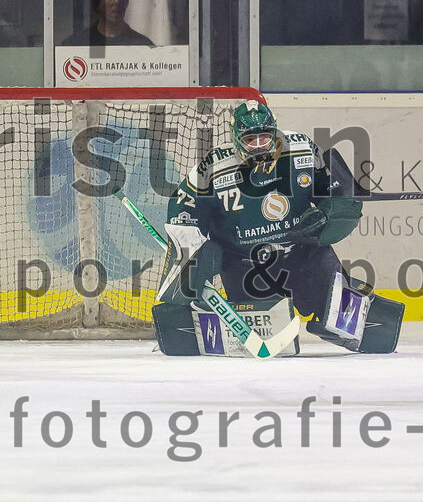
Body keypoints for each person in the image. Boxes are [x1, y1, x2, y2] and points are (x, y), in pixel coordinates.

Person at [152, 100, 404, 356]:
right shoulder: (213, 165)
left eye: (264, 137)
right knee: (266, 332)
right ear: (236, 139)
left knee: (354, 324)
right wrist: (193, 248)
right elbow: (184, 206)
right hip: (245, 265)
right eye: (250, 140)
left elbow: (337, 192)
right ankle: (187, 320)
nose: (259, 146)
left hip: (304, 254)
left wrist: (327, 214)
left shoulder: (303, 149)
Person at [61, 0, 155, 46]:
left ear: (126, 3)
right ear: (98, 4)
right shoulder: (76, 44)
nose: (117, 2)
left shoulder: (142, 44)